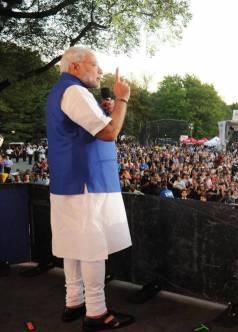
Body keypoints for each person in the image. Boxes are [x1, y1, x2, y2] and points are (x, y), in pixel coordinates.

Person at [45, 47, 133, 331]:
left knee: (73, 244)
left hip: (69, 180)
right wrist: (122, 99)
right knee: (92, 247)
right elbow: (110, 133)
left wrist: (106, 110)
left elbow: (90, 128)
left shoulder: (63, 91)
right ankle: (96, 312)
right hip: (87, 181)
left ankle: (74, 301)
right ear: (75, 67)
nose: (100, 71)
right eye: (95, 65)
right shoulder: (75, 92)